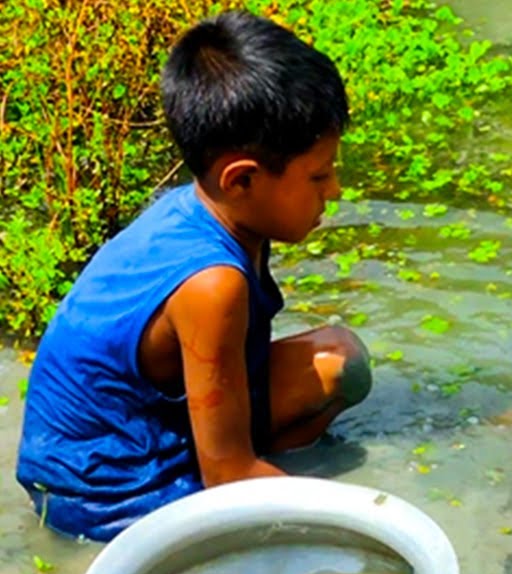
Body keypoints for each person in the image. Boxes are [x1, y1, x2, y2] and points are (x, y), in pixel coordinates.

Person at [13, 10, 372, 542]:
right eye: (319, 174)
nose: (335, 189)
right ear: (243, 179)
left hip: (139, 434)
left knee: (342, 362)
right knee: (295, 537)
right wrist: (360, 528)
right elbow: (227, 477)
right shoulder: (211, 283)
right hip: (104, 493)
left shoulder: (214, 209)